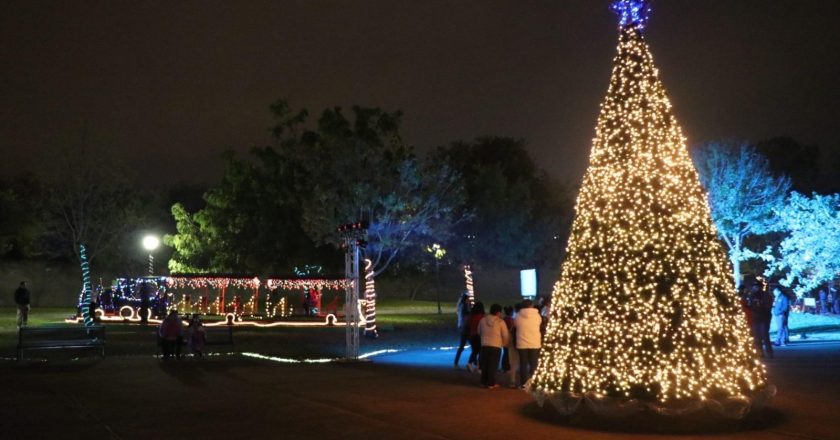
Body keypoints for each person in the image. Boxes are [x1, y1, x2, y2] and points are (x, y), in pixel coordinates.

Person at [477, 303, 509, 389]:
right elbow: (505, 334)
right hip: (496, 345)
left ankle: (483, 382)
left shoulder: (482, 320)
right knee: (493, 365)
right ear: (498, 312)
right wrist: (505, 344)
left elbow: (479, 332)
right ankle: (491, 383)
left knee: (485, 364)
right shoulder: (500, 322)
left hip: (484, 345)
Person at [514, 299, 542, 388]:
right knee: (533, 363)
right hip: (535, 342)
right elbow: (539, 324)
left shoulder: (518, 316)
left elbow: (516, 326)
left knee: (523, 364)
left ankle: (524, 384)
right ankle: (533, 383)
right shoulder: (537, 316)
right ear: (531, 305)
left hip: (521, 342)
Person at [749, 283, 773, 358]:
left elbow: (768, 306)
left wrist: (761, 308)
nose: (754, 289)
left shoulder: (765, 295)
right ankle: (760, 352)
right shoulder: (752, 296)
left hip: (764, 317)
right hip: (756, 318)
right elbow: (750, 305)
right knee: (757, 336)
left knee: (765, 335)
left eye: (755, 287)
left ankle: (769, 352)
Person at [502, 304, 520, 388]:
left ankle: (506, 369)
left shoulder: (504, 319)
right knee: (514, 361)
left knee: (507, 356)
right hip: (514, 343)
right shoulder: (511, 320)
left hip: (508, 342)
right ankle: (506, 368)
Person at [453, 292, 472, 368]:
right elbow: (467, 314)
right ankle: (473, 363)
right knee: (474, 346)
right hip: (466, 327)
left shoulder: (460, 306)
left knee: (462, 345)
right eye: (468, 299)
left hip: (462, 326)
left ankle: (456, 361)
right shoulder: (464, 306)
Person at [465, 301, 485, 373]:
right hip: (479, 335)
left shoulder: (471, 317)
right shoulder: (482, 317)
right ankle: (479, 367)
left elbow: (467, 325)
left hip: (472, 335)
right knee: (480, 352)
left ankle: (470, 363)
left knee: (474, 351)